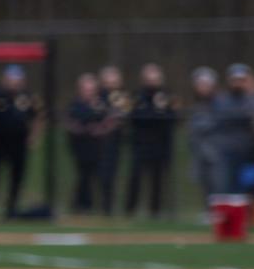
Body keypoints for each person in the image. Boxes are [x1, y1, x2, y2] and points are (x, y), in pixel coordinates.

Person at [0, 65, 39, 220]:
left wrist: (33, 136)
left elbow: (39, 117)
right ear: (5, 79)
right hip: (0, 141)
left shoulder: (28, 97)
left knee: (17, 176)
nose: (14, 82)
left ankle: (11, 209)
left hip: (20, 142)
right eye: (11, 79)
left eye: (17, 79)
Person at [124, 63, 177, 218]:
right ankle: (130, 210)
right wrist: (152, 112)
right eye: (149, 78)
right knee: (135, 178)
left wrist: (160, 110)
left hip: (161, 145)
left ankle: (155, 211)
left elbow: (173, 119)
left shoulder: (168, 96)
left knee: (158, 180)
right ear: (143, 79)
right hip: (140, 144)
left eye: (155, 78)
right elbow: (133, 118)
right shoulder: (136, 96)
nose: (152, 81)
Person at [212, 63, 254, 195]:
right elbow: (225, 117)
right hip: (227, 151)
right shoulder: (221, 100)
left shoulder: (253, 99)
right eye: (235, 80)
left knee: (247, 187)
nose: (238, 83)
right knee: (226, 186)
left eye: (241, 80)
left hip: (248, 151)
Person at [66, 73, 106, 215]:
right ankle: (80, 205)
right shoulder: (75, 105)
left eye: (91, 89)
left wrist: (99, 128)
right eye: (86, 89)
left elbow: (107, 121)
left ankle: (97, 205)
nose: (88, 92)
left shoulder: (100, 105)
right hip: (80, 146)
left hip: (96, 146)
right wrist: (80, 128)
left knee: (97, 175)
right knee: (83, 175)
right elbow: (70, 123)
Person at [95, 65, 130, 211]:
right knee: (100, 174)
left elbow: (125, 115)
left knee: (112, 174)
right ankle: (97, 205)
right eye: (108, 78)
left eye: (114, 78)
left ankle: (109, 206)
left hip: (115, 141)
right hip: (97, 142)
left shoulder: (123, 97)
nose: (112, 81)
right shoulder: (98, 97)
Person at [186, 67, 223, 203]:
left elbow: (216, 124)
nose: (203, 88)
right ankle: (208, 210)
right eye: (200, 84)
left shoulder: (220, 103)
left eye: (206, 84)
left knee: (217, 183)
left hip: (216, 152)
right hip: (199, 151)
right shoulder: (196, 105)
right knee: (204, 183)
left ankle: (218, 209)